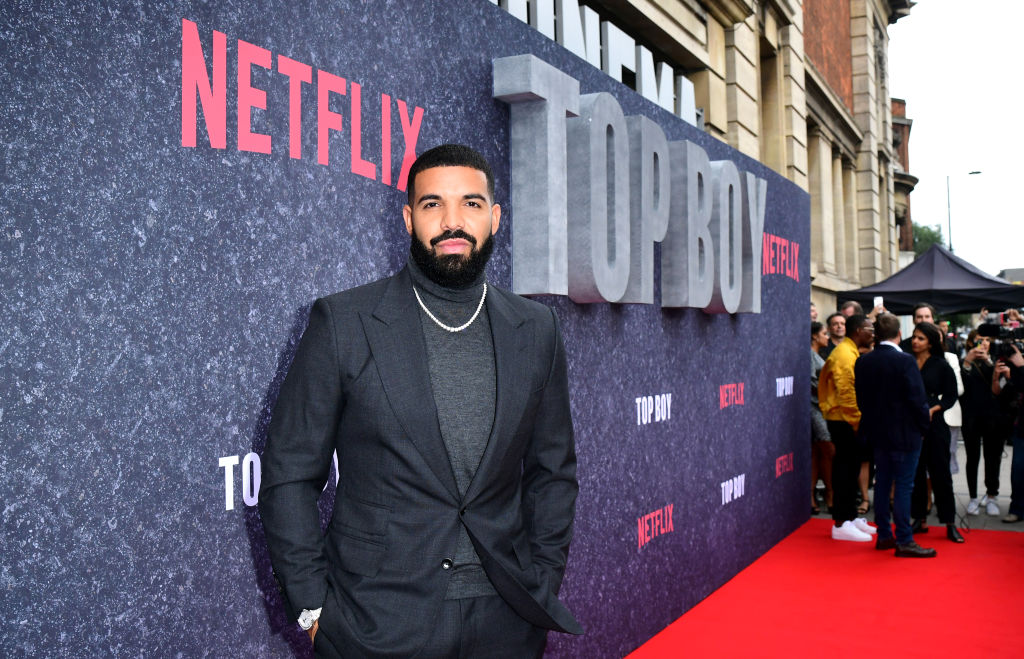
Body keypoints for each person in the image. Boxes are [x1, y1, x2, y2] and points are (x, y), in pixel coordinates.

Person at [259, 144, 582, 657]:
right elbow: (289, 474)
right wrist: (313, 609)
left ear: (495, 218)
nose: (452, 221)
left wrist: (541, 581)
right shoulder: (344, 322)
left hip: (507, 619)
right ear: (409, 218)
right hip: (377, 622)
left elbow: (553, 472)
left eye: (471, 204)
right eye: (433, 205)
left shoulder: (536, 328)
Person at [854, 313, 935, 557]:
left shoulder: (863, 361)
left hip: (878, 434)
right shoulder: (906, 362)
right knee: (903, 486)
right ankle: (904, 539)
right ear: (899, 334)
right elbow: (917, 400)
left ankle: (885, 536)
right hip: (905, 434)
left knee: (882, 484)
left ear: (876, 335)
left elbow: (861, 401)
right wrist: (923, 428)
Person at [819, 314, 876, 541]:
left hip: (847, 420)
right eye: (869, 329)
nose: (873, 333)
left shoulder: (851, 351)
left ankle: (850, 518)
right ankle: (841, 523)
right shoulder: (844, 355)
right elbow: (846, 393)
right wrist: (856, 422)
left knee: (851, 470)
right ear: (858, 330)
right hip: (844, 421)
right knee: (844, 471)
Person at [908, 322, 964, 543]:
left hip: (936, 424)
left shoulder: (941, 365)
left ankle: (950, 523)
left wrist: (935, 408)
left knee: (941, 474)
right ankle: (919, 519)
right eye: (914, 337)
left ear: (930, 342)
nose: (915, 341)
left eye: (920, 338)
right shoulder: (908, 362)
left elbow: (951, 396)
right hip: (912, 424)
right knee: (916, 473)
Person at [960, 330, 1004, 515]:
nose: (984, 343)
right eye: (980, 340)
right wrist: (968, 361)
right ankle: (973, 497)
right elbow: (960, 387)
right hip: (970, 417)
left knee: (993, 458)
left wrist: (989, 362)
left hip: (993, 417)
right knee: (972, 457)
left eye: (988, 339)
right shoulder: (963, 361)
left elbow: (1000, 388)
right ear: (971, 342)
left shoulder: (996, 360)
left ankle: (992, 495)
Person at [999, 343, 1024, 523]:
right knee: (1018, 469)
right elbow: (1016, 388)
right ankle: (1016, 508)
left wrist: (1022, 365)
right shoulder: (1018, 358)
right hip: (1022, 424)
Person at [811, 322, 834, 514]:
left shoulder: (818, 355)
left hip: (821, 408)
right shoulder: (810, 356)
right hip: (814, 408)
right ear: (815, 337)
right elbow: (811, 382)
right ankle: (827, 493)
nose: (827, 337)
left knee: (818, 454)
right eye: (824, 333)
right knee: (827, 449)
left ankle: (824, 493)